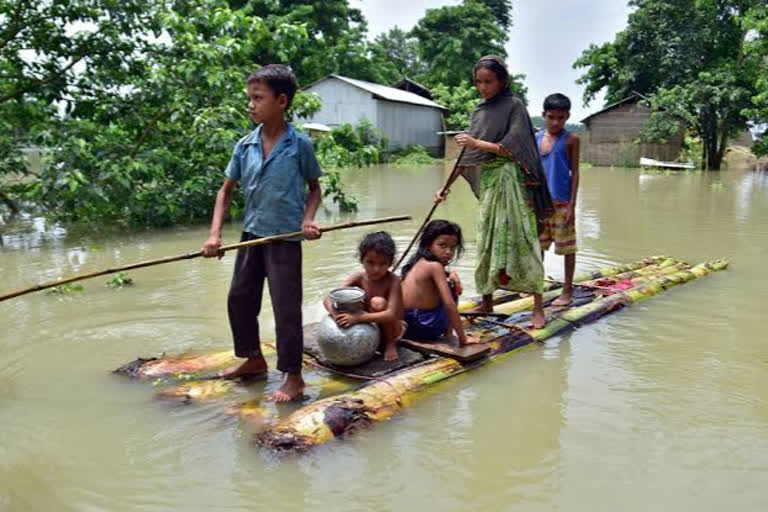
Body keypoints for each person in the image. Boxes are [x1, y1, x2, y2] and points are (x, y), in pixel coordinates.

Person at [201, 64, 322, 402]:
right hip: (252, 235)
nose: (250, 105)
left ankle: (293, 377)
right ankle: (253, 359)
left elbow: (314, 189)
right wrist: (214, 236)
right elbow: (225, 191)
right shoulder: (245, 145)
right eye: (249, 98)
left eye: (258, 98)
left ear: (281, 101)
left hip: (284, 239)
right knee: (239, 299)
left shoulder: (299, 145)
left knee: (286, 307)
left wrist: (308, 220)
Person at [434, 55, 553, 329]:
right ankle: (487, 300)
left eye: (488, 81)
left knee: (523, 239)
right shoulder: (479, 112)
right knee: (486, 239)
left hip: (511, 182)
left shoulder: (514, 106)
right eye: (478, 82)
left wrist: (477, 141)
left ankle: (537, 306)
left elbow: (516, 146)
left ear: (502, 81)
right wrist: (444, 187)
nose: (483, 87)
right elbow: (466, 156)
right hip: (489, 183)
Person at [323, 231, 404, 361]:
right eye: (370, 263)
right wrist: (335, 315)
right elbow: (329, 298)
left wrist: (358, 317)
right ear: (362, 260)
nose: (376, 269)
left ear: (390, 263)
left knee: (378, 302)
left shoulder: (393, 280)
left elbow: (392, 314)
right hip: (369, 325)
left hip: (393, 329)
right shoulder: (358, 277)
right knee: (345, 302)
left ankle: (390, 344)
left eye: (382, 264)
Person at [401, 220, 479, 345]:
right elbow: (449, 305)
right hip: (423, 330)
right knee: (450, 286)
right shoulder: (435, 267)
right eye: (442, 245)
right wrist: (462, 339)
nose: (448, 252)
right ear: (428, 245)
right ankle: (449, 334)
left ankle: (448, 332)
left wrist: (450, 274)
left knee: (449, 282)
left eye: (452, 247)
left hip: (406, 326)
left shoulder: (417, 261)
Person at [536, 93, 580, 306]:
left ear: (567, 117)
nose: (555, 122)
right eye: (551, 117)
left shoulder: (571, 140)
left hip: (562, 203)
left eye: (560, 118)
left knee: (567, 248)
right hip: (540, 204)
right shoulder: (535, 139)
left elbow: (576, 173)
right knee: (538, 248)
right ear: (544, 115)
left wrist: (572, 205)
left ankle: (567, 290)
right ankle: (536, 288)